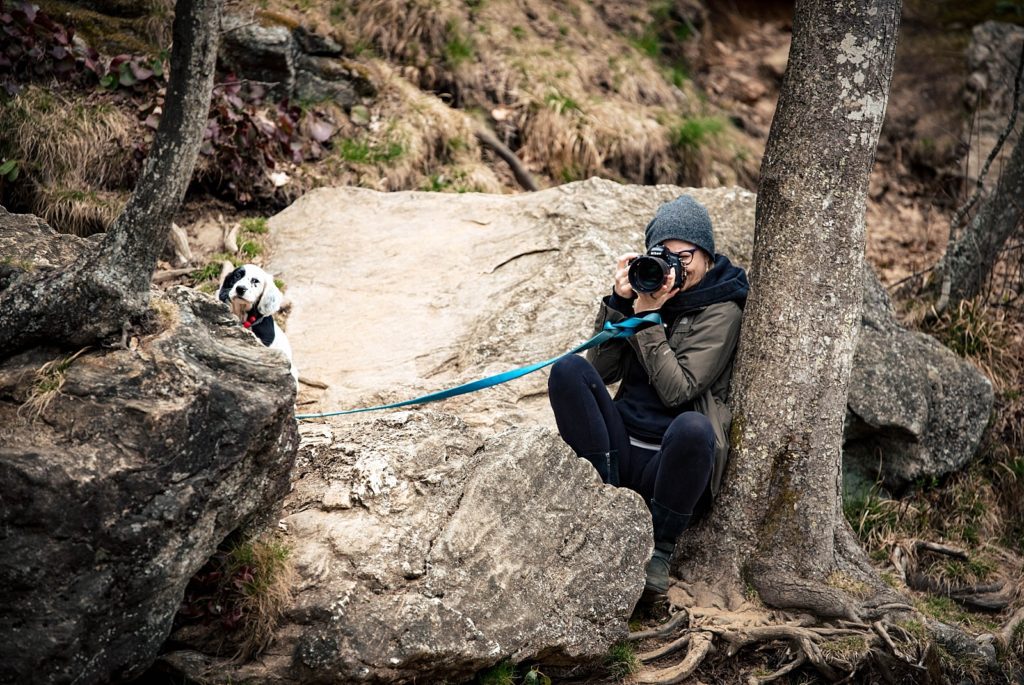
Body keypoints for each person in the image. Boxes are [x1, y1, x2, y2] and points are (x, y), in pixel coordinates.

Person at [547, 195, 749, 599]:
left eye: (685, 255)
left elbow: (679, 391)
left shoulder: (722, 310)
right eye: (664, 255)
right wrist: (622, 304)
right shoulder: (647, 292)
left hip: (669, 461)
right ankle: (604, 508)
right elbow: (601, 370)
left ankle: (659, 548)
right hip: (619, 446)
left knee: (695, 428)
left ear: (707, 256)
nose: (675, 266)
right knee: (568, 370)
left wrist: (650, 318)